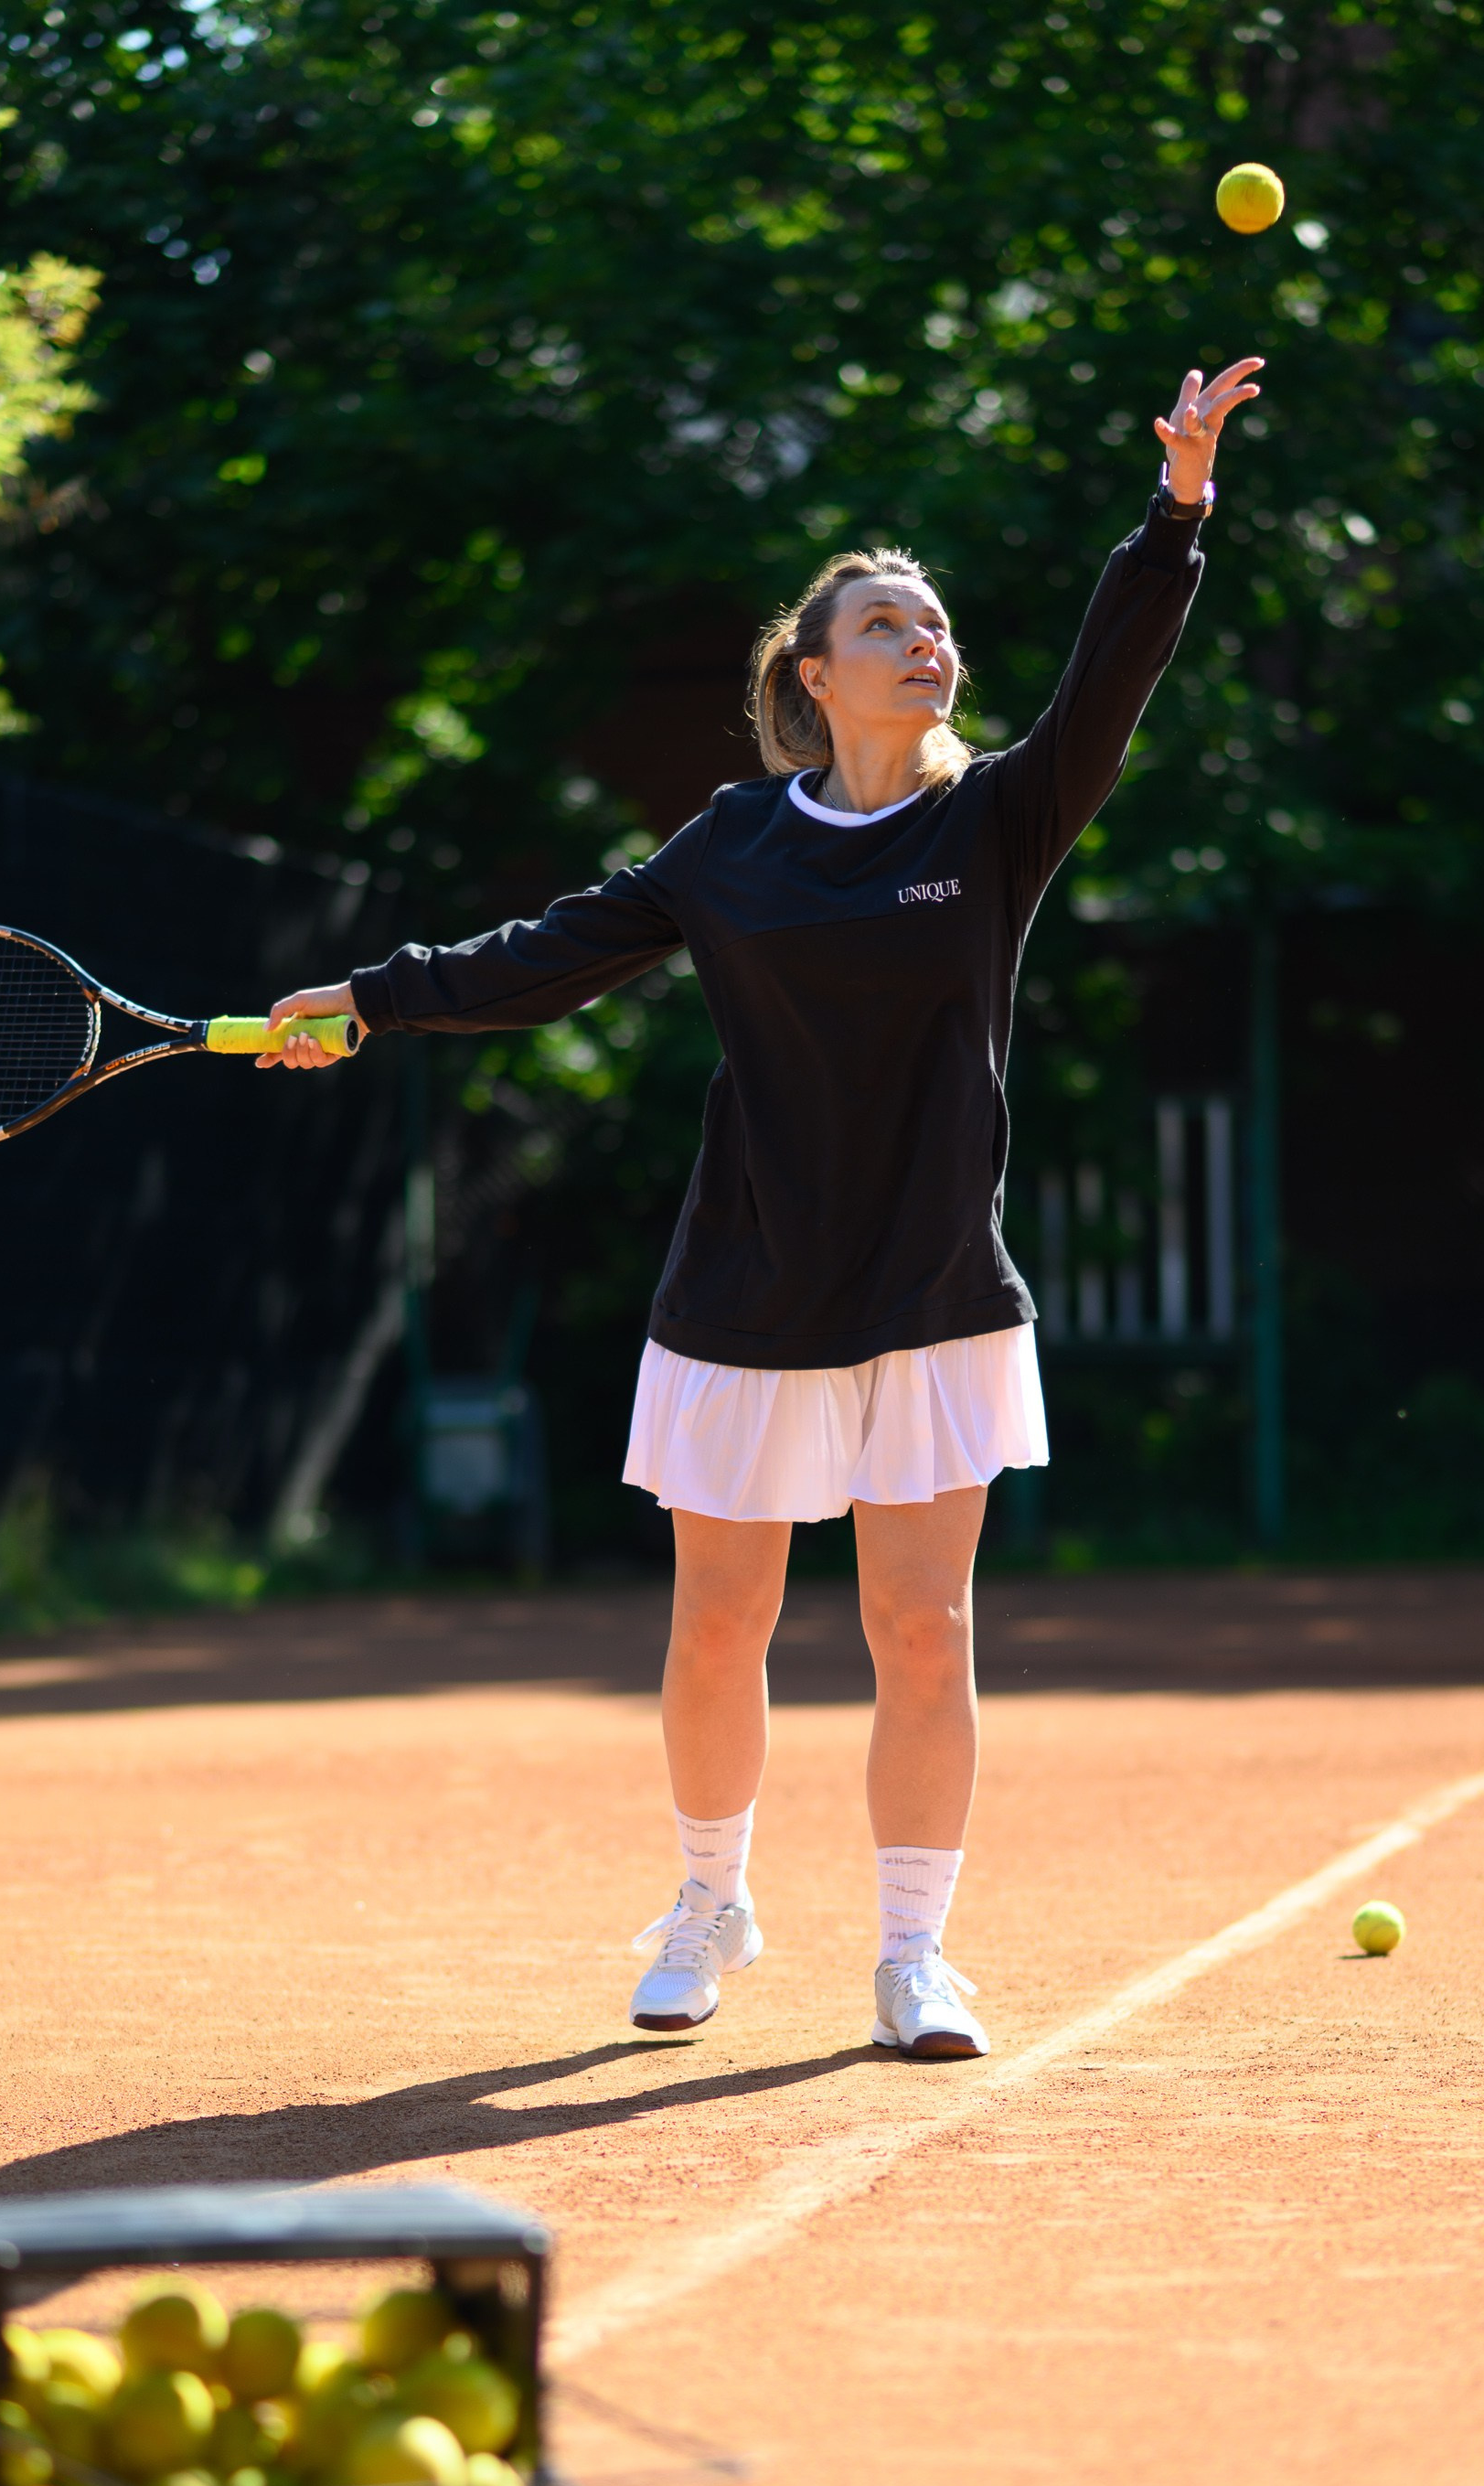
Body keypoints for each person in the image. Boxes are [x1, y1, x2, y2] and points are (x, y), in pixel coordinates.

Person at [264, 353, 1264, 2060]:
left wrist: (1176, 512)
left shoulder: (1003, 818)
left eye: (935, 622)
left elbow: (1113, 677)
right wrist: (372, 997)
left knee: (919, 1627)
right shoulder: (732, 844)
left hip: (937, 1283)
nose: (924, 639)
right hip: (745, 1283)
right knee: (720, 1623)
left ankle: (911, 1954)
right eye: (885, 622)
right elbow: (549, 956)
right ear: (815, 674)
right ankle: (710, 1899)